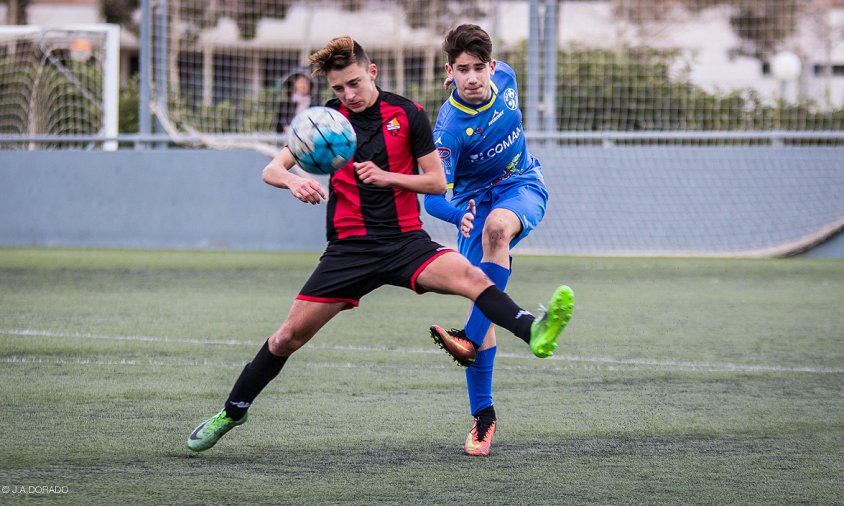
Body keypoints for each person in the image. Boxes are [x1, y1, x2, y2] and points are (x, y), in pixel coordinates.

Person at [186, 35, 574, 454]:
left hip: (405, 242)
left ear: (372, 72)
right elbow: (272, 169)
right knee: (286, 339)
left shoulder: (409, 115)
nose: (348, 95)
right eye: (338, 88)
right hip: (349, 251)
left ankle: (532, 329)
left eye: (354, 83)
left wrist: (389, 177)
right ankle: (233, 410)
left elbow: (437, 183)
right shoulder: (326, 121)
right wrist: (295, 180)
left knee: (473, 278)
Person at [424, 24, 573, 457]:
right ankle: (484, 418)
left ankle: (468, 337)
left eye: (479, 68)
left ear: (493, 66)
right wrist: (459, 215)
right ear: (449, 71)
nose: (473, 78)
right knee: (482, 304)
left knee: (497, 230)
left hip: (521, 185)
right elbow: (432, 201)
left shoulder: (506, 77)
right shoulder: (448, 130)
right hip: (473, 206)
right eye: (462, 70)